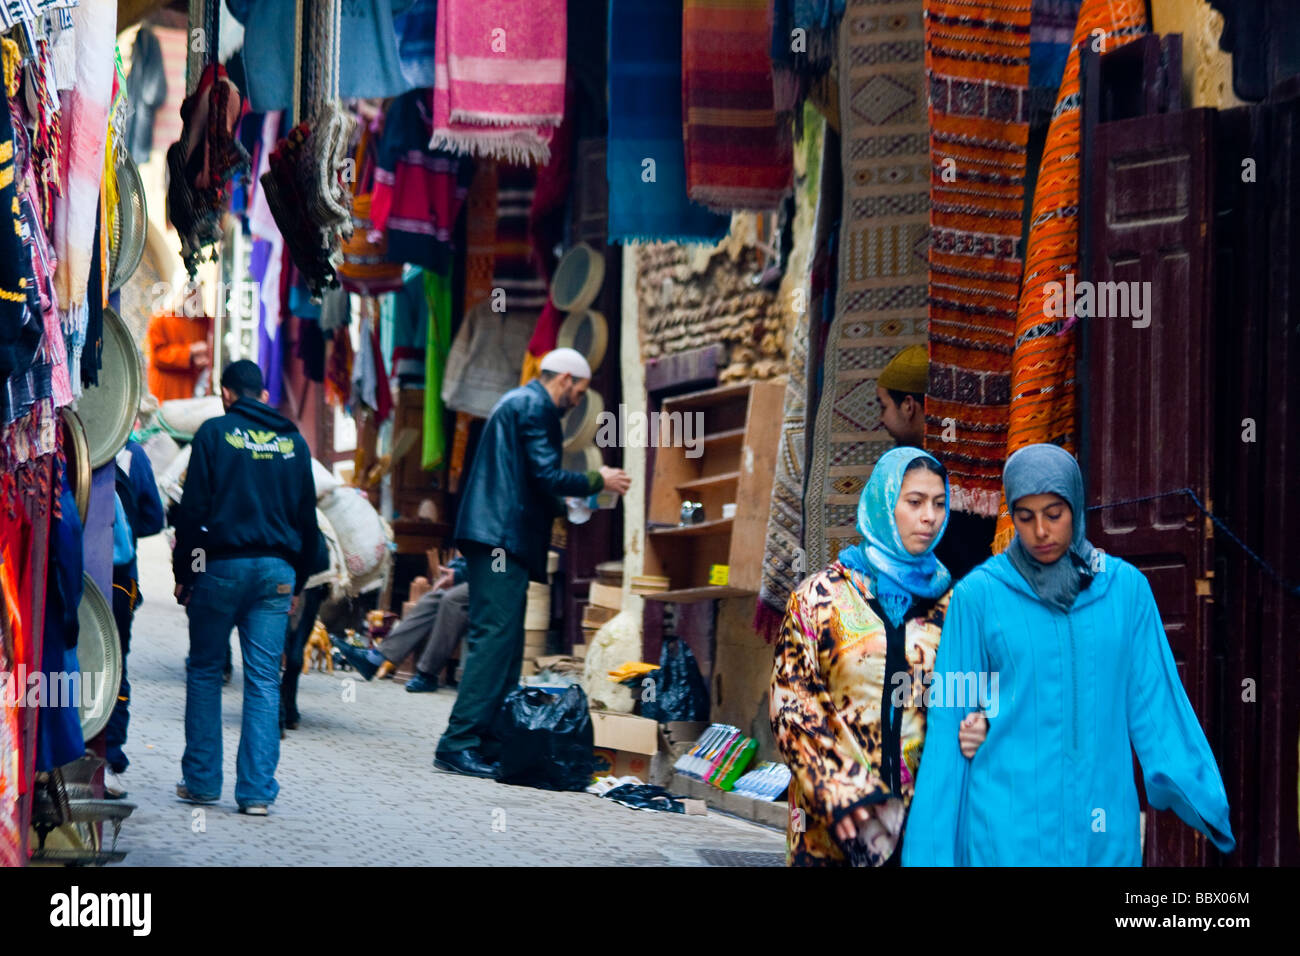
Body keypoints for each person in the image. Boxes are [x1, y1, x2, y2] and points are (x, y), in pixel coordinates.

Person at [902, 444, 1235, 866]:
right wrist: (929, 853)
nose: (1040, 531)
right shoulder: (979, 597)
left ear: (1076, 506)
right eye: (1025, 516)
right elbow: (951, 719)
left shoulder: (1125, 591)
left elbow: (1156, 701)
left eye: (1054, 513)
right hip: (1005, 830)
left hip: (1100, 825)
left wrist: (1202, 795)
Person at [771, 448, 988, 866]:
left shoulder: (956, 605)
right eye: (914, 502)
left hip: (925, 826)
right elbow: (791, 703)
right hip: (835, 824)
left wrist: (983, 721)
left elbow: (979, 692)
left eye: (939, 503)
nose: (930, 517)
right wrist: (835, 785)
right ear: (885, 503)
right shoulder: (820, 599)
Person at [433, 348, 632, 777]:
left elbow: (531, 481)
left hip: (498, 536)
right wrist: (600, 479)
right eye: (579, 391)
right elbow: (545, 476)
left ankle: (485, 740)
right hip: (500, 539)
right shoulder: (535, 407)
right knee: (495, 639)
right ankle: (458, 741)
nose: (577, 400)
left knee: (505, 644)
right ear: (564, 379)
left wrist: (568, 502)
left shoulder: (518, 403)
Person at [172, 360, 318, 816]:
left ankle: (201, 783)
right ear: (264, 396)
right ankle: (256, 793)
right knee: (262, 681)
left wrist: (185, 573)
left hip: (221, 568)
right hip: (276, 573)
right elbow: (307, 521)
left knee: (204, 670)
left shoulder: (214, 434)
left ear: (226, 394)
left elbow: (193, 510)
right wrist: (299, 580)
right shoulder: (293, 441)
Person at [876, 344, 994, 582]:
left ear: (908, 406)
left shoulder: (928, 470)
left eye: (884, 406)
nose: (882, 419)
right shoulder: (967, 453)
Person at [104, 439, 166, 799]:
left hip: (66, 571)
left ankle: (63, 748)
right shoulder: (132, 453)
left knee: (63, 659)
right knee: (114, 663)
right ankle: (109, 759)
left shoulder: (59, 438)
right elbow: (154, 519)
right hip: (119, 578)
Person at [332, 556, 469, 692]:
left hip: (489, 582)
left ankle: (428, 674)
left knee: (452, 599)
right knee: (431, 598)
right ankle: (373, 660)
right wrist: (457, 569)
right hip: (477, 576)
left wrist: (461, 574)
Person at [146, 309, 211, 402]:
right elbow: (157, 356)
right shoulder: (161, 318)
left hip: (191, 393)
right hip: (166, 396)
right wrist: (190, 351)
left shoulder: (203, 322)